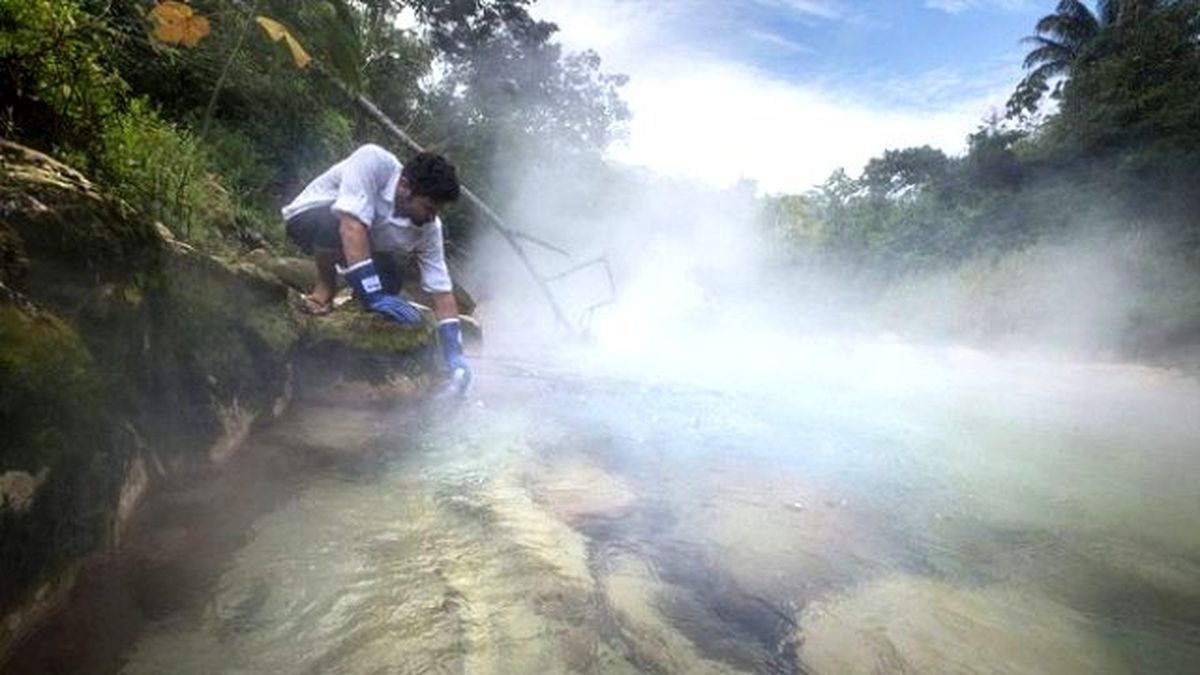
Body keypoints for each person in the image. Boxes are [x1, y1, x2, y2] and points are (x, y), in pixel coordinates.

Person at [281, 144, 471, 391]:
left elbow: (442, 289)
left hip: (360, 238)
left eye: (438, 211)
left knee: (391, 281)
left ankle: (353, 299)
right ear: (405, 186)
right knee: (334, 221)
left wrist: (454, 353)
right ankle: (325, 287)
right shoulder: (374, 162)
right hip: (309, 217)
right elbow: (350, 225)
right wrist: (372, 293)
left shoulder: (429, 228)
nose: (432, 217)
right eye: (428, 208)